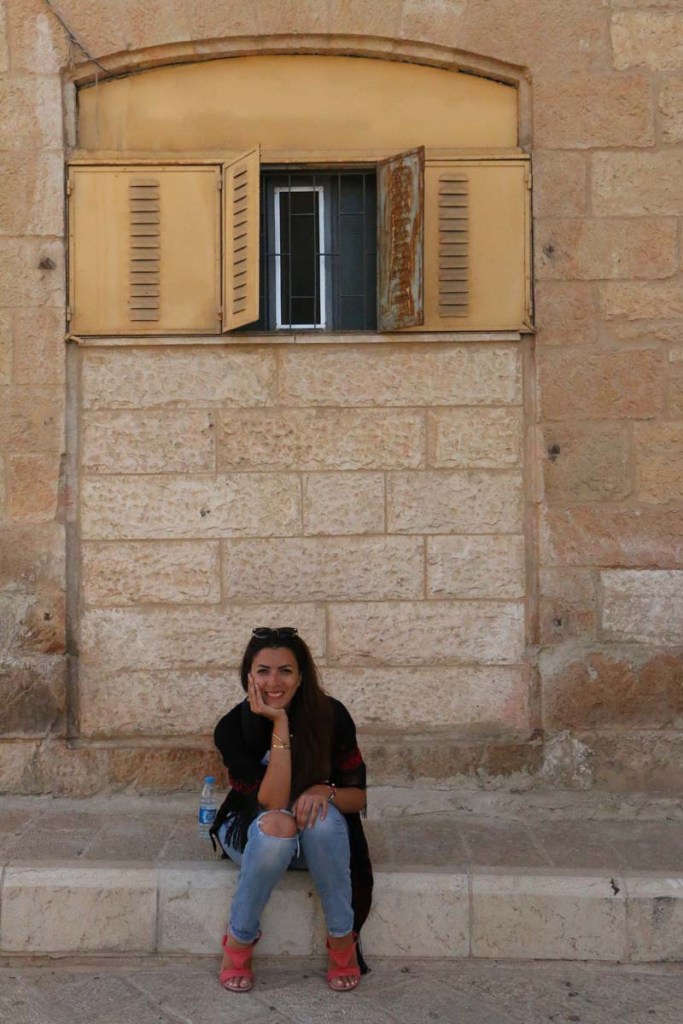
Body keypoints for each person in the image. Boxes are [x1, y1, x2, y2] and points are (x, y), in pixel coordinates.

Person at [211, 626, 373, 993]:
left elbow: (357, 797)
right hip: (256, 834)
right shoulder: (231, 728)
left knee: (321, 818)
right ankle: (239, 941)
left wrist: (325, 790)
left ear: (301, 677)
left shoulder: (331, 716)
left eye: (285, 670)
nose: (274, 681)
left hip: (318, 842)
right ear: (248, 676)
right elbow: (272, 802)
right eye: (263, 671)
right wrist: (279, 724)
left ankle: (342, 938)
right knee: (279, 826)